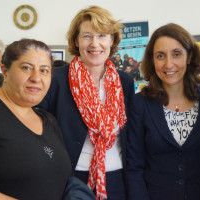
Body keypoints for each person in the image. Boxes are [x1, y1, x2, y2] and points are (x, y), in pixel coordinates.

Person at [38, 6, 135, 200]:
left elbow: (130, 132)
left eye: (102, 35)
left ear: (112, 40)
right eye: (87, 36)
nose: (95, 43)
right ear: (76, 40)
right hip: (71, 179)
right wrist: (50, 159)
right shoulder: (56, 79)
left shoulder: (124, 81)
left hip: (118, 179)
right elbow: (37, 132)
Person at [0, 39, 95, 200]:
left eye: (44, 70)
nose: (36, 78)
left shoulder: (47, 119)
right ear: (5, 70)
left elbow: (65, 178)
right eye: (26, 68)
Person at [126, 23, 200, 200]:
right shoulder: (140, 104)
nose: (169, 64)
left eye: (176, 54)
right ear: (152, 60)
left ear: (189, 56)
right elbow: (134, 167)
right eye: (160, 56)